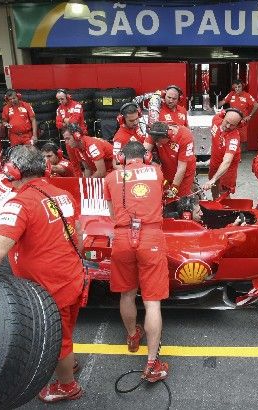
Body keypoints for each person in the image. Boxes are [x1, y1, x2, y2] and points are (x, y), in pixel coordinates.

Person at [0, 145, 85, 403]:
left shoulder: (18, 205)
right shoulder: (64, 195)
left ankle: (67, 386)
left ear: (11, 172)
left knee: (59, 338)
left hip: (49, 288)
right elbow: (79, 237)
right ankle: (70, 364)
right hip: (72, 277)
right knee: (66, 329)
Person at [103, 141, 169, 382]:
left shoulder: (111, 178)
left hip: (122, 237)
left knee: (127, 294)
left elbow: (111, 214)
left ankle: (132, 335)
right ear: (147, 157)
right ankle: (152, 364)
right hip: (150, 236)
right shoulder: (156, 171)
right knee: (152, 303)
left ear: (122, 158)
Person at [144, 121, 196, 197]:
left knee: (181, 199)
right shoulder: (155, 131)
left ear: (168, 136)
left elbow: (181, 168)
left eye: (159, 142)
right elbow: (143, 152)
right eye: (155, 142)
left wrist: (174, 188)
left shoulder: (185, 137)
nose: (157, 144)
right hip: (166, 170)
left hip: (184, 174)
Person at [203, 108, 244, 199]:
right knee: (213, 186)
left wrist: (214, 179)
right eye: (227, 122)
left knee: (223, 191)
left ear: (238, 125)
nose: (228, 126)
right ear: (223, 117)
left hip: (228, 168)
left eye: (232, 125)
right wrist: (212, 180)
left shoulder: (234, 138)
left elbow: (227, 161)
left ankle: (227, 211)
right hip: (215, 161)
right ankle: (215, 203)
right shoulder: (216, 119)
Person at [56, 89, 87, 176]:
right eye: (59, 100)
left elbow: (74, 121)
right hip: (68, 138)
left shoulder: (77, 105)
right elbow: (57, 124)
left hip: (80, 137)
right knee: (74, 162)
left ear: (68, 97)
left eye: (62, 99)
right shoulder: (59, 109)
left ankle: (89, 179)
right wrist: (67, 120)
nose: (60, 101)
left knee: (86, 160)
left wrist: (63, 120)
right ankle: (78, 180)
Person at [217, 79, 258, 144]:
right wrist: (214, 105)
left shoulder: (247, 95)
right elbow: (222, 102)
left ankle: (240, 153)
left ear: (242, 87)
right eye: (235, 87)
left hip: (241, 123)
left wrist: (250, 116)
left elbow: (256, 105)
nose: (237, 89)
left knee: (241, 141)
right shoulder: (231, 94)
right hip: (231, 122)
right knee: (231, 139)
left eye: (239, 87)